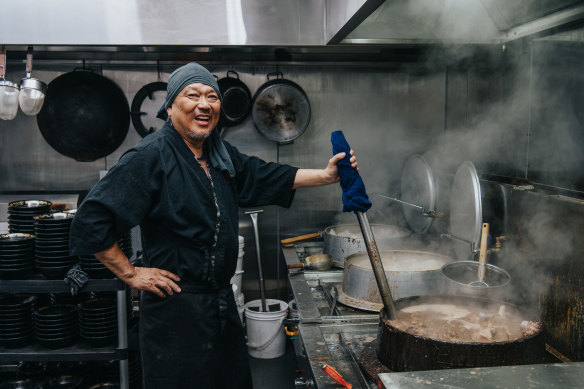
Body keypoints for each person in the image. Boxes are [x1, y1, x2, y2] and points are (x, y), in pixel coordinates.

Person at [69, 62, 358, 389]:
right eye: (192, 95)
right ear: (171, 106)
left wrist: (326, 175)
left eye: (212, 96)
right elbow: (92, 218)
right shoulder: (151, 155)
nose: (204, 104)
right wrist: (131, 273)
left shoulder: (219, 154)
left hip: (220, 307)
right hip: (175, 314)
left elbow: (263, 175)